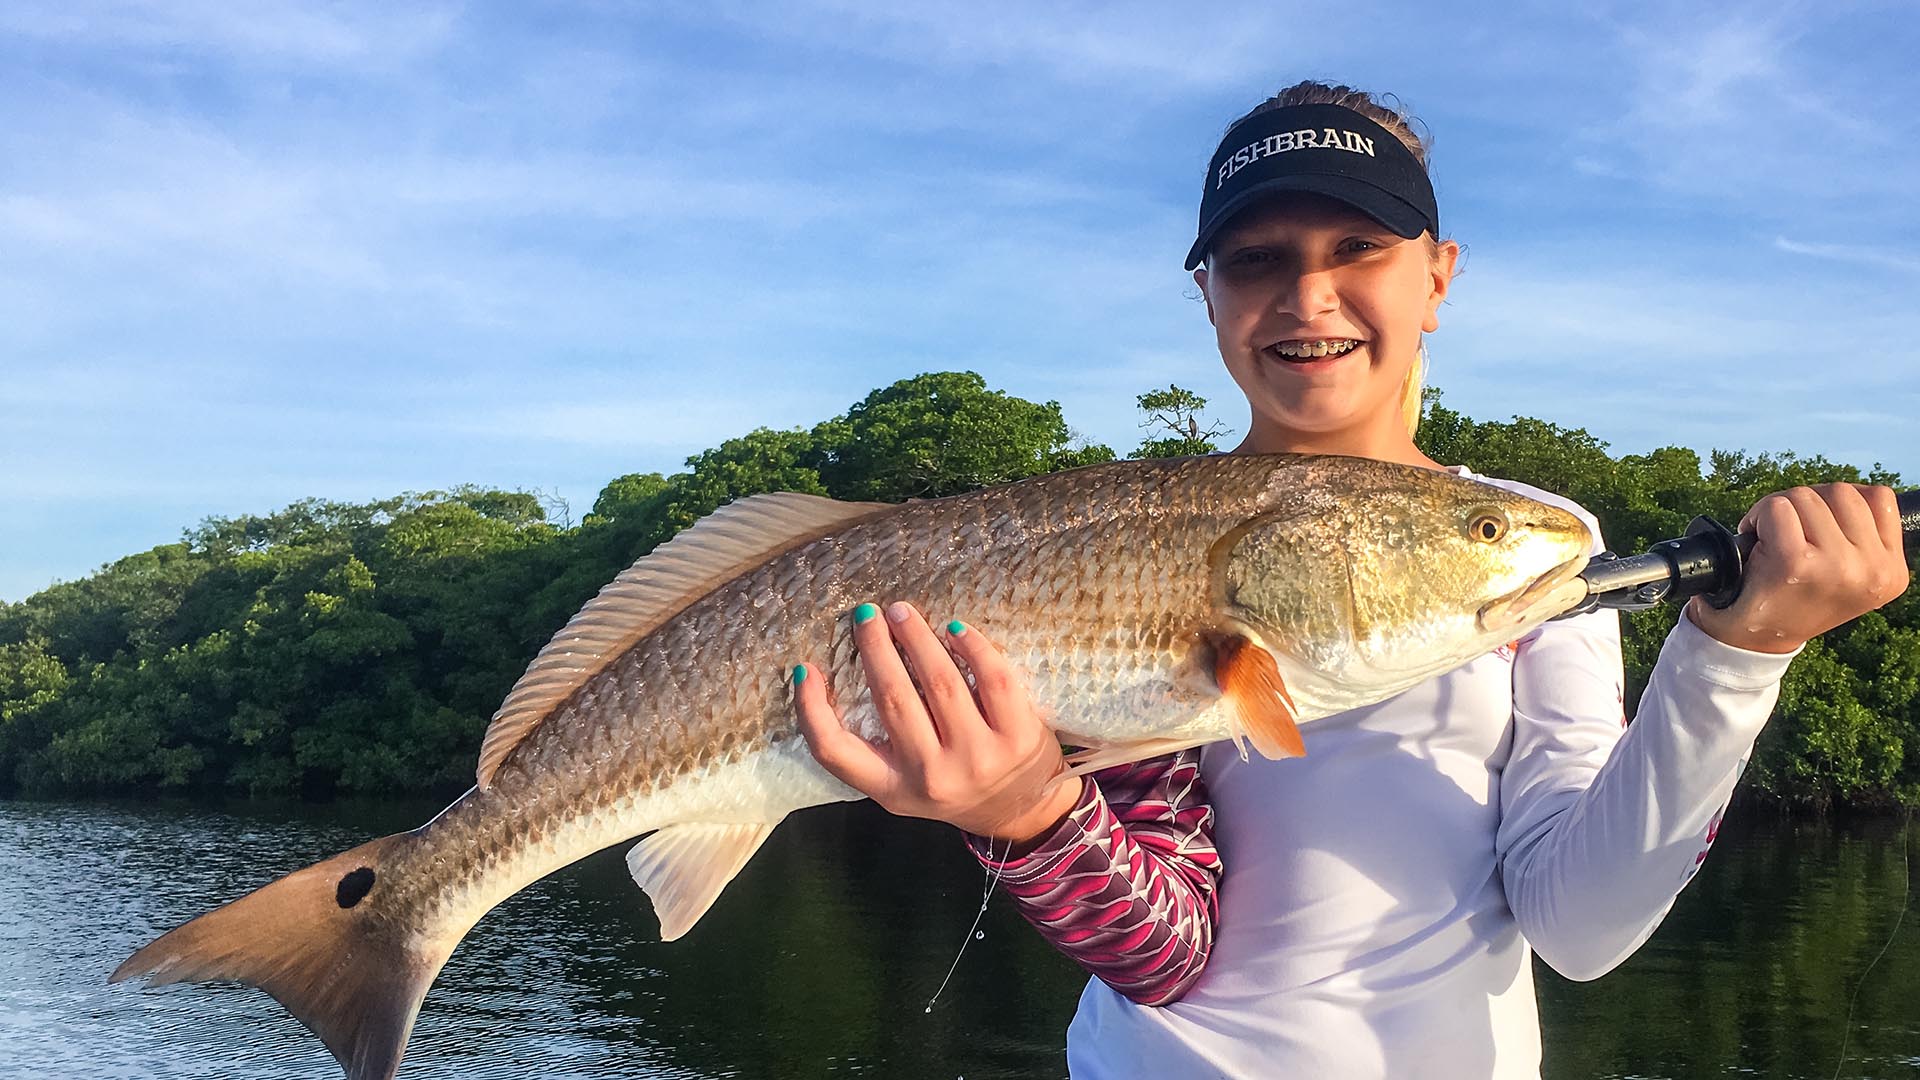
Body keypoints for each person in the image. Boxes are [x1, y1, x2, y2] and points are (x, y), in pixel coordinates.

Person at [790, 81, 1910, 1078]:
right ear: (1211, 294)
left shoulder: (1539, 540)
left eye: (1357, 247)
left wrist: (1734, 656)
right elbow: (1164, 953)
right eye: (1257, 259)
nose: (1307, 296)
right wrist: (1025, 815)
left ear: (1439, 274)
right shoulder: (1117, 552)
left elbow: (1581, 926)